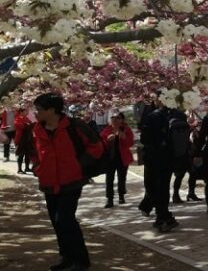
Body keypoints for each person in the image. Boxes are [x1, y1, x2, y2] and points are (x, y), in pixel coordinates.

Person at [32, 92, 105, 271]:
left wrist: (78, 165)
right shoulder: (37, 129)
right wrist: (37, 168)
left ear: (51, 110)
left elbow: (96, 146)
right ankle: (67, 257)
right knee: (57, 222)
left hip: (71, 181)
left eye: (39, 109)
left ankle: (81, 261)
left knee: (65, 219)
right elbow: (33, 152)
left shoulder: (75, 126)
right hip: (48, 182)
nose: (36, 112)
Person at [138, 91, 179, 232]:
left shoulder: (152, 116)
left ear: (160, 100)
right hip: (170, 157)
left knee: (153, 187)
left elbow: (145, 139)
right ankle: (165, 215)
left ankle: (162, 218)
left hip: (154, 157)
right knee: (164, 187)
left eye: (155, 99)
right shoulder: (178, 114)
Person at [100, 112, 134, 208]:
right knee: (109, 179)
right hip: (110, 158)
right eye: (112, 117)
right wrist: (107, 139)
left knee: (122, 178)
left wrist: (124, 137)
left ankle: (121, 196)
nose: (114, 119)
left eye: (117, 118)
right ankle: (109, 199)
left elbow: (130, 143)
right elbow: (100, 142)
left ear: (122, 120)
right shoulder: (107, 129)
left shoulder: (126, 129)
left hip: (122, 158)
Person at [14, 106, 34, 174]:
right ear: (21, 112)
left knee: (27, 154)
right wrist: (27, 125)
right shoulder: (17, 119)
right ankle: (19, 169)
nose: (27, 112)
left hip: (27, 139)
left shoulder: (27, 119)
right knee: (21, 154)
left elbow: (31, 125)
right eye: (25, 111)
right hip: (21, 139)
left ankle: (27, 168)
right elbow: (21, 126)